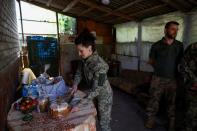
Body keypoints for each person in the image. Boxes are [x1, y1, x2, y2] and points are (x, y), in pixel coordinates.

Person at [145, 21, 184, 131]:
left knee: (171, 103)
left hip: (172, 79)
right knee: (153, 100)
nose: (175, 31)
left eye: (177, 29)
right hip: (157, 78)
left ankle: (171, 123)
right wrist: (160, 69)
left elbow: (182, 63)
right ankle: (150, 120)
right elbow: (151, 61)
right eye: (172, 29)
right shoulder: (156, 45)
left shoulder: (179, 45)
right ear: (165, 29)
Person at [71, 29, 113, 131]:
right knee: (95, 116)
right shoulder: (84, 59)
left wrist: (79, 105)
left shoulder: (100, 66)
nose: (79, 54)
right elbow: (79, 72)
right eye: (78, 51)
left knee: (104, 123)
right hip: (93, 94)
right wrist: (75, 84)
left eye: (81, 51)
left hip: (104, 96)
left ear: (89, 48)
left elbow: (96, 89)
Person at [179, 42, 197, 131]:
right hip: (194, 88)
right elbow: (182, 65)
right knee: (190, 116)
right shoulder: (193, 47)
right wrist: (194, 80)